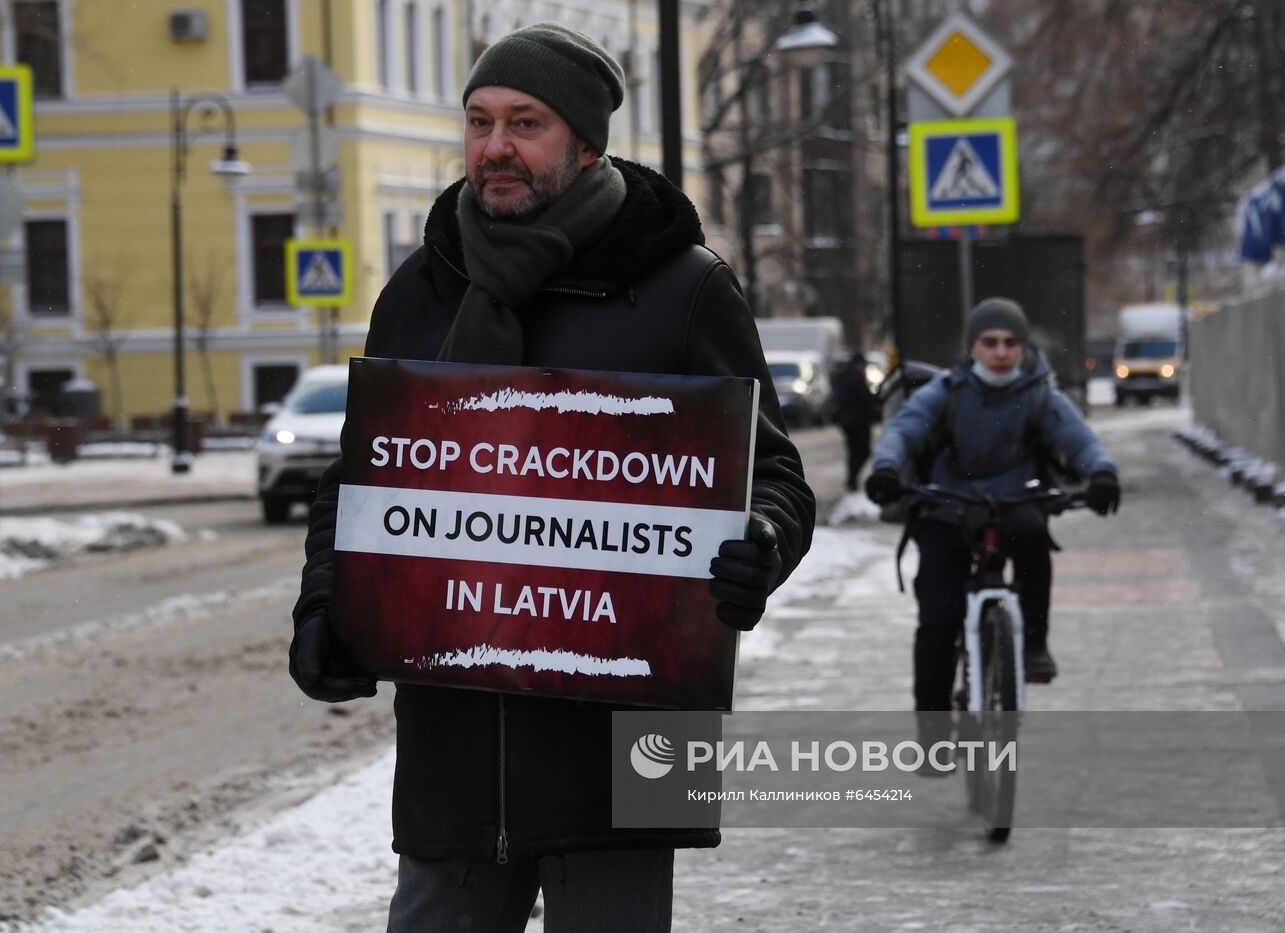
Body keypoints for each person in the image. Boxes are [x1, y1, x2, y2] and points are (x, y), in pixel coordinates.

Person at [288, 23, 815, 933]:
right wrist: (325, 605)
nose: (495, 146)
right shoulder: (421, 291)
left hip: (629, 745)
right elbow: (366, 477)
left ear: (586, 144)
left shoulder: (684, 288)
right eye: (479, 121)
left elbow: (773, 475)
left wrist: (758, 542)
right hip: (456, 748)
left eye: (525, 123)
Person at [864, 298, 1119, 710]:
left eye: (1010, 342)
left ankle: (1034, 643)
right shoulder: (945, 392)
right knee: (939, 619)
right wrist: (887, 469)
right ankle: (932, 724)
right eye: (990, 342)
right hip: (948, 506)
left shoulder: (1038, 394)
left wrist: (1102, 473)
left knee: (1033, 540)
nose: (1001, 352)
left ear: (1023, 347)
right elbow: (904, 431)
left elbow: (1079, 439)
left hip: (1014, 500)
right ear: (972, 348)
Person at [830, 352, 875, 492]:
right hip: (859, 422)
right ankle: (852, 480)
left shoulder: (842, 376)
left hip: (847, 422)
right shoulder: (856, 377)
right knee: (862, 452)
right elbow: (865, 398)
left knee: (854, 452)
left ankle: (851, 481)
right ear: (860, 364)